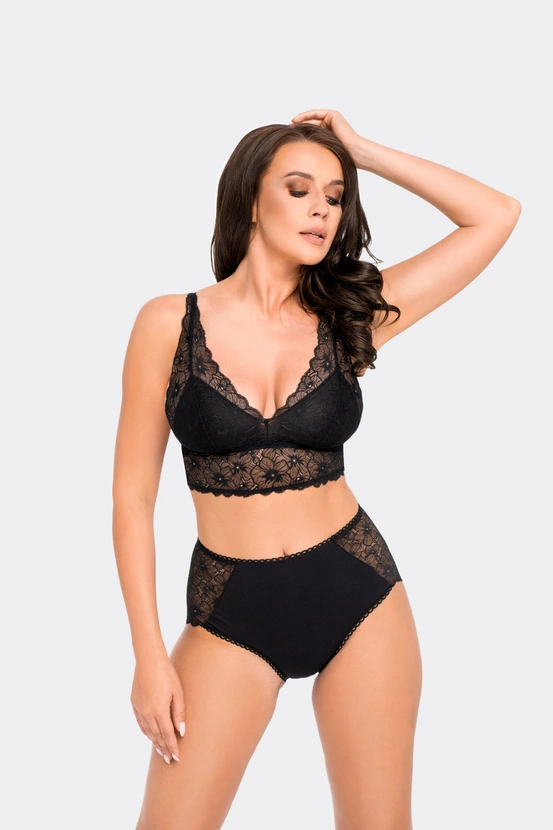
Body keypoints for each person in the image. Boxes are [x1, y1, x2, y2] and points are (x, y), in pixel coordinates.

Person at [112, 109, 521, 829]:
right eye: (299, 190)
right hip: (229, 610)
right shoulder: (167, 325)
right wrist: (149, 656)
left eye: (335, 196)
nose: (321, 210)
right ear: (250, 200)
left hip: (358, 595)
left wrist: (361, 150)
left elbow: (494, 215)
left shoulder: (349, 318)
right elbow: (132, 497)